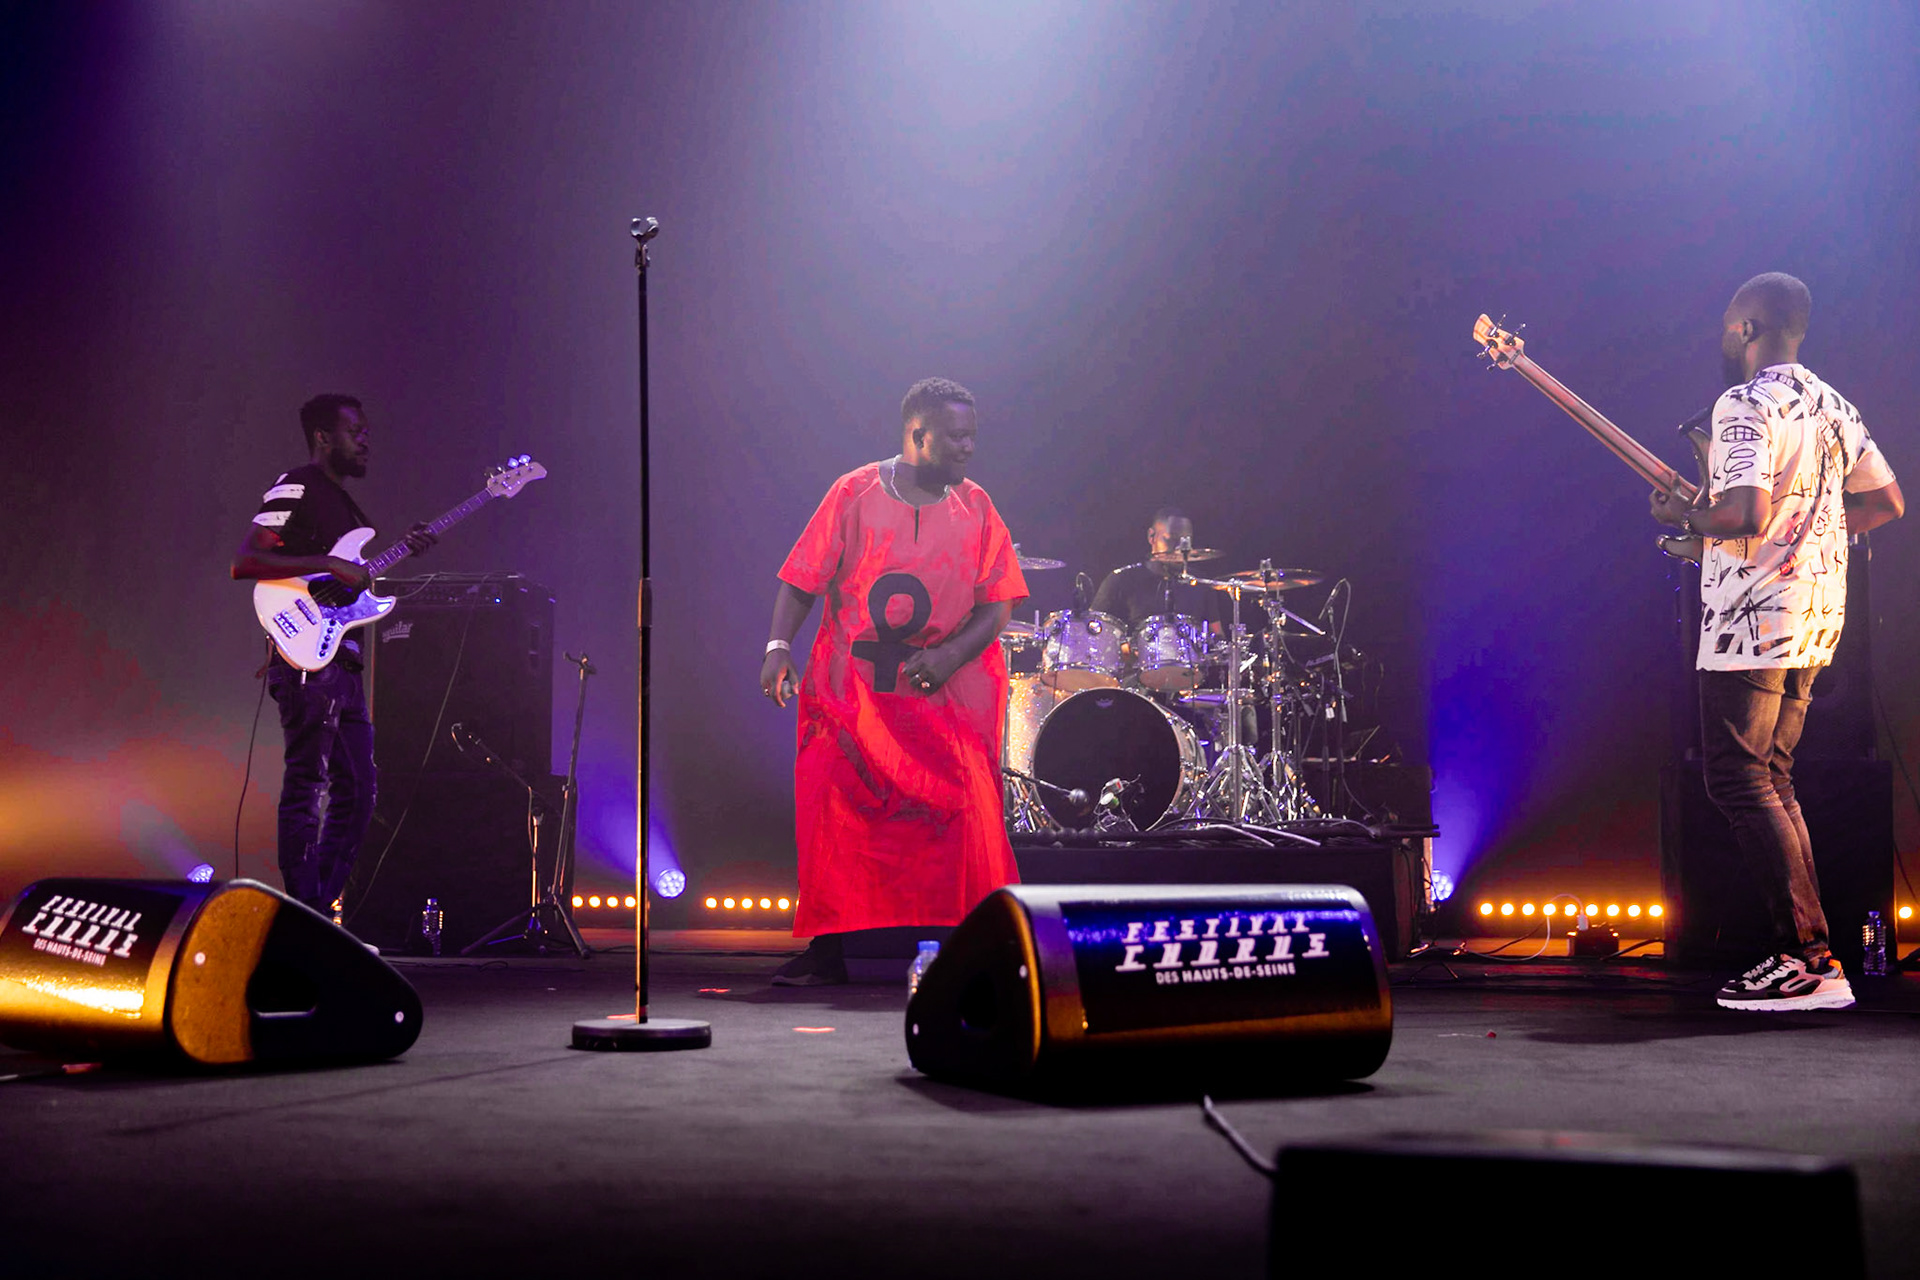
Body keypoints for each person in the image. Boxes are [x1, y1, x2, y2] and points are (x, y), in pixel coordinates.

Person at [1650, 273, 1903, 1012]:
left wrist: (1683, 516)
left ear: (1747, 329)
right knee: (1772, 779)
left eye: (1729, 325)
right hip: (1815, 618)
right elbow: (1887, 501)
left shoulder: (1744, 402)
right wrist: (1808, 537)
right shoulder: (1834, 405)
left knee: (1737, 779)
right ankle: (1814, 957)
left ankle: (1808, 961)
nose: (1725, 337)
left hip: (1751, 622)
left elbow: (1742, 515)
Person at [759, 378, 1028, 985]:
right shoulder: (852, 492)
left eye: (972, 436)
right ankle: (828, 951)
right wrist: (778, 647)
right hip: (853, 693)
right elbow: (802, 578)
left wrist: (951, 655)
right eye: (956, 437)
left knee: (966, 817)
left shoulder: (977, 505)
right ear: (918, 434)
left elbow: (999, 602)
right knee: (834, 805)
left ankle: (974, 948)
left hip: (944, 697)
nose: (968, 448)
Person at [231, 394, 436, 918]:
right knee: (307, 785)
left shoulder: (347, 506)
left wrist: (401, 548)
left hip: (343, 661)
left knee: (360, 792)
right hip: (306, 664)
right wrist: (328, 563)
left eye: (366, 431)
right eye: (355, 431)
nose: (366, 441)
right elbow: (247, 560)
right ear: (323, 437)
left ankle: (316, 912)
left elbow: (348, 580)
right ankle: (304, 914)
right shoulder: (296, 484)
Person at [1091, 507, 1231, 631]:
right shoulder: (1120, 580)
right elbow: (1092, 632)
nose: (1179, 549)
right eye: (1171, 539)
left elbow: (1217, 635)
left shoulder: (1200, 583)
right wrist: (1125, 648)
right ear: (1152, 537)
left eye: (1186, 541)